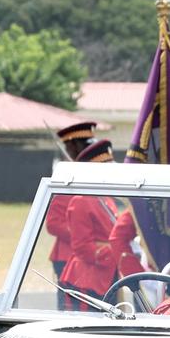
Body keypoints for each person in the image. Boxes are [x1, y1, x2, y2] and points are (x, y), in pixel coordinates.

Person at [59, 140, 120, 308]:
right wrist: (115, 251)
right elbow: (82, 247)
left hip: (106, 275)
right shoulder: (80, 201)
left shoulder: (106, 198)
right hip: (87, 279)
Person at [46, 121, 97, 306]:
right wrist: (82, 235)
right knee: (71, 307)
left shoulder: (91, 175)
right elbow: (53, 223)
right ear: (73, 147)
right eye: (85, 146)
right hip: (68, 255)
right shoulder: (67, 179)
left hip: (91, 255)